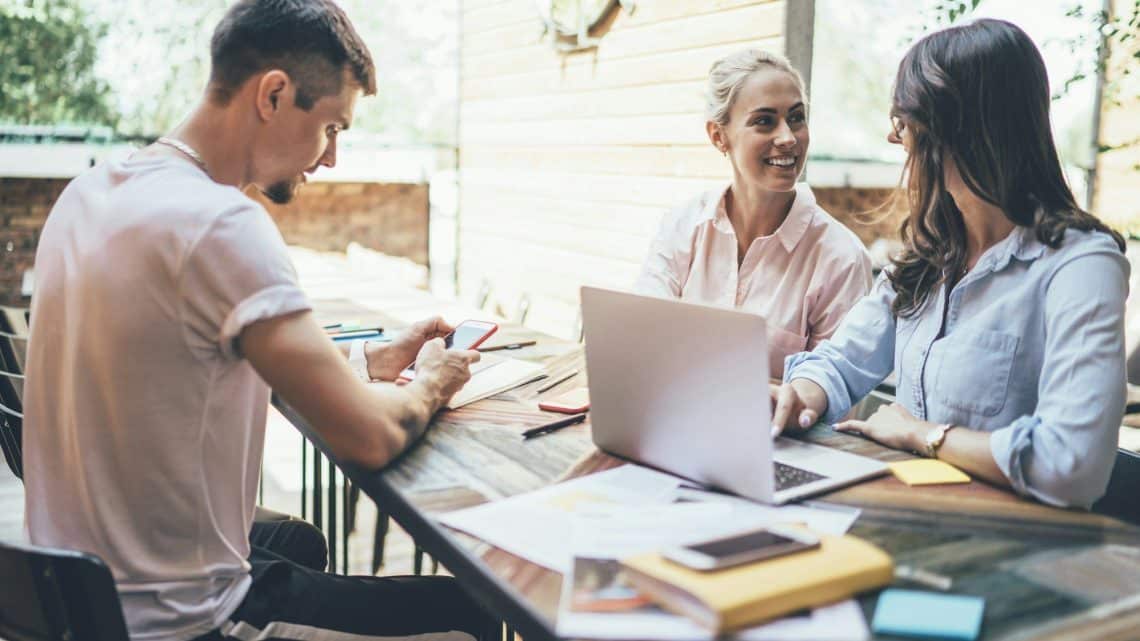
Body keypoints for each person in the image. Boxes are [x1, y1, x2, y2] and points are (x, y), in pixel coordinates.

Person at [22, 2, 496, 640]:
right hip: (175, 622)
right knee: (470, 609)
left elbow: (198, 361)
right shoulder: (221, 222)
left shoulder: (90, 194)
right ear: (273, 94)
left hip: (73, 595)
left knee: (298, 542)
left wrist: (365, 365)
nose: (331, 159)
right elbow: (370, 439)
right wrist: (433, 379)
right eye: (331, 126)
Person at [773, 18, 1128, 510]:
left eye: (904, 121)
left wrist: (925, 435)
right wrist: (801, 395)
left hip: (1013, 546)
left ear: (956, 130)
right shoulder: (927, 256)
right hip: (913, 518)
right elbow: (841, 361)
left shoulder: (1079, 265)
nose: (894, 138)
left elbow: (1072, 464)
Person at [634, 49, 871, 378]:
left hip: (779, 432)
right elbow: (642, 338)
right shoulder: (681, 226)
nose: (788, 138)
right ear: (719, 136)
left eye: (796, 117)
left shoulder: (841, 259)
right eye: (764, 121)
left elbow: (828, 396)